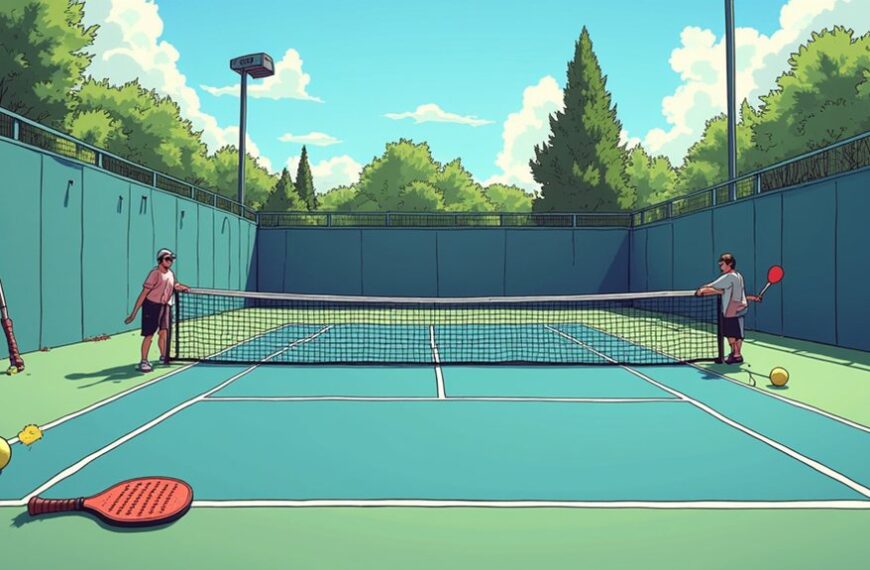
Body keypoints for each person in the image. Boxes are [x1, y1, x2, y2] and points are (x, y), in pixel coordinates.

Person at [125, 249, 190, 372]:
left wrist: (182, 287)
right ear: (160, 260)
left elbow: (175, 285)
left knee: (164, 332)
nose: (170, 261)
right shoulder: (154, 273)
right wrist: (134, 313)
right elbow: (144, 293)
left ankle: (163, 356)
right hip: (151, 306)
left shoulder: (170, 273)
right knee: (149, 335)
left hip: (165, 306)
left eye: (171, 259)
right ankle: (144, 361)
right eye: (167, 259)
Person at [695, 253, 761, 365]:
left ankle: (735, 355)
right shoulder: (738, 276)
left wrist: (701, 291)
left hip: (732, 310)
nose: (720, 267)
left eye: (722, 264)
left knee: (731, 333)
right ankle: (737, 355)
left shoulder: (729, 277)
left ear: (729, 264)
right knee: (738, 333)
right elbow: (731, 292)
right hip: (741, 309)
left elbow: (710, 287)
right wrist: (751, 298)